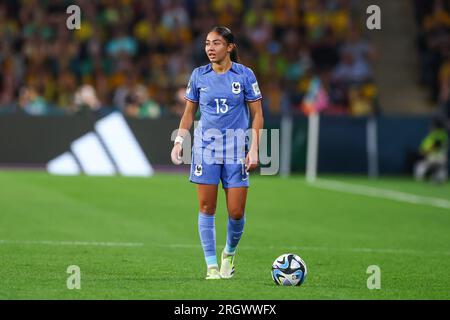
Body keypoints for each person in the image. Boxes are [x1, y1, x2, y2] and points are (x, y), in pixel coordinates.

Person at [170, 26, 264, 280]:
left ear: (230, 47)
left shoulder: (244, 75)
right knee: (207, 207)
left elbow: (257, 114)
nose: (210, 48)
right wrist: (179, 141)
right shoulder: (199, 75)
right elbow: (189, 112)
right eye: (207, 44)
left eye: (217, 43)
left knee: (236, 212)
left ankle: (229, 254)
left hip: (236, 150)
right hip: (205, 149)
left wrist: (254, 148)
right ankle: (211, 265)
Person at [414, 116, 449, 183]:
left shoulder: (436, 135)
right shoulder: (443, 135)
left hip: (434, 158)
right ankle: (436, 176)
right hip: (442, 160)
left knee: (420, 167)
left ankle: (428, 176)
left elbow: (435, 144)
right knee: (440, 171)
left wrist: (426, 151)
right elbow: (422, 149)